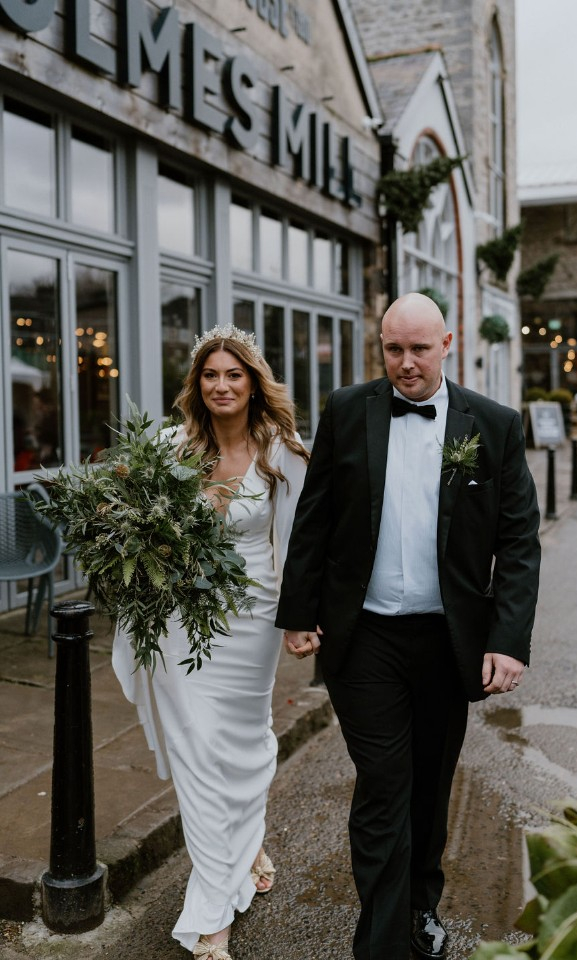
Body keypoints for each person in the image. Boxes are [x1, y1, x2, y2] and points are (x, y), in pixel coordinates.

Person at [276, 293, 541, 960]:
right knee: (385, 783)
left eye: (419, 349)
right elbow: (316, 518)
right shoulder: (346, 410)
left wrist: (507, 640)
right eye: (393, 349)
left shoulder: (496, 425)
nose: (405, 363)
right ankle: (387, 941)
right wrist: (299, 613)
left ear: (447, 343)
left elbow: (518, 543)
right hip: (363, 636)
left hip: (446, 640)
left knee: (428, 782)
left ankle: (422, 900)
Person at [112, 324, 309, 960]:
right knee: (198, 748)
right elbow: (144, 532)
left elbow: (300, 542)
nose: (221, 385)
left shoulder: (284, 452)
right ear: (197, 385)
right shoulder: (172, 448)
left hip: (253, 617)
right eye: (209, 375)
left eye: (234, 374)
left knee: (244, 746)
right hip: (181, 620)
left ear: (254, 383)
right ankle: (212, 912)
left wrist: (304, 618)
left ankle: (246, 839)